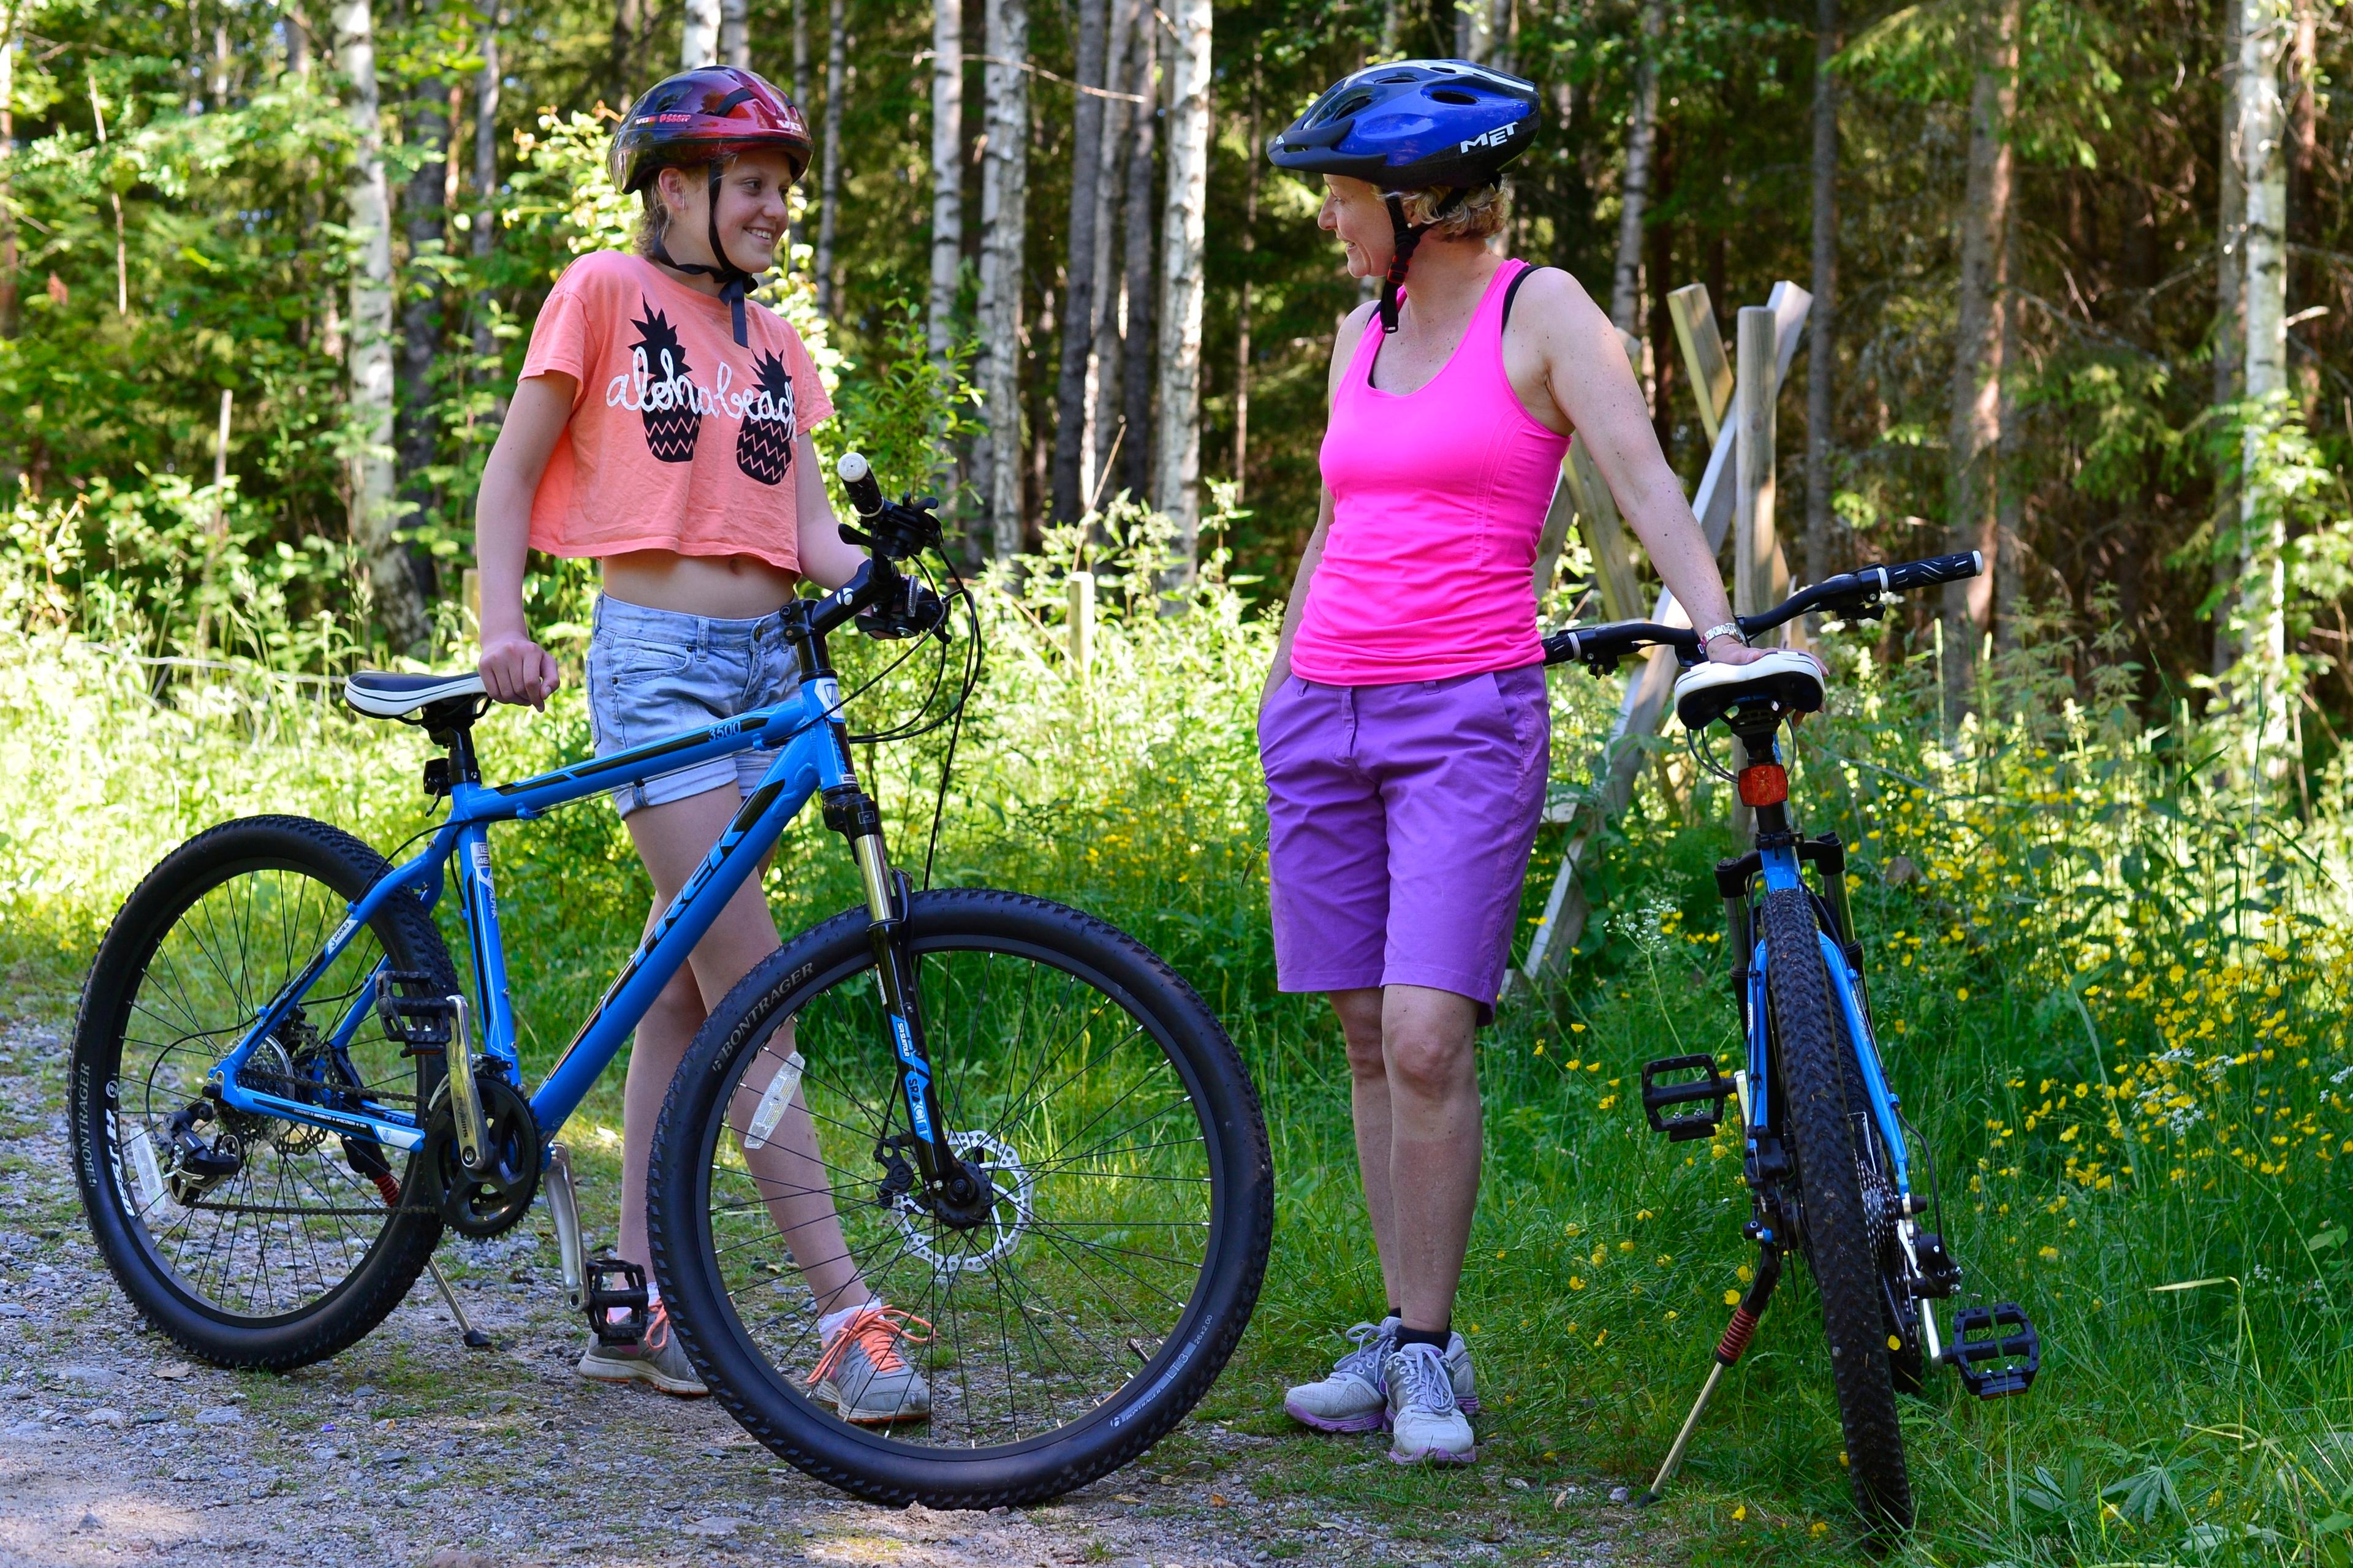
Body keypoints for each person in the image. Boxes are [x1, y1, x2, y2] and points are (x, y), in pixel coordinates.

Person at [1259, 60, 1792, 1465]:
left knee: (1428, 1033)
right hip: (1324, 713)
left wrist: (1721, 636)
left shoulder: (1538, 310)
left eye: (1344, 196)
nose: (1330, 219)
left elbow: (1644, 478)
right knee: (1365, 1030)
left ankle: (1431, 1348)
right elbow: (1334, 522)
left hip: (1463, 715)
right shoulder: (1357, 331)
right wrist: (1278, 686)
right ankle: (1399, 1329)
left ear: (1421, 201)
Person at [469, 65, 930, 1423]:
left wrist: (883, 581)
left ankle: (633, 1292)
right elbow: (511, 473)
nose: (777, 208)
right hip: (660, 668)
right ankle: (847, 1317)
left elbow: (805, 535)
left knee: (681, 980)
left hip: (770, 674)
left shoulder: (780, 344)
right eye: (753, 185)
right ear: (675, 188)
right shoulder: (605, 292)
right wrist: (502, 624)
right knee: (751, 980)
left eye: (785, 189)